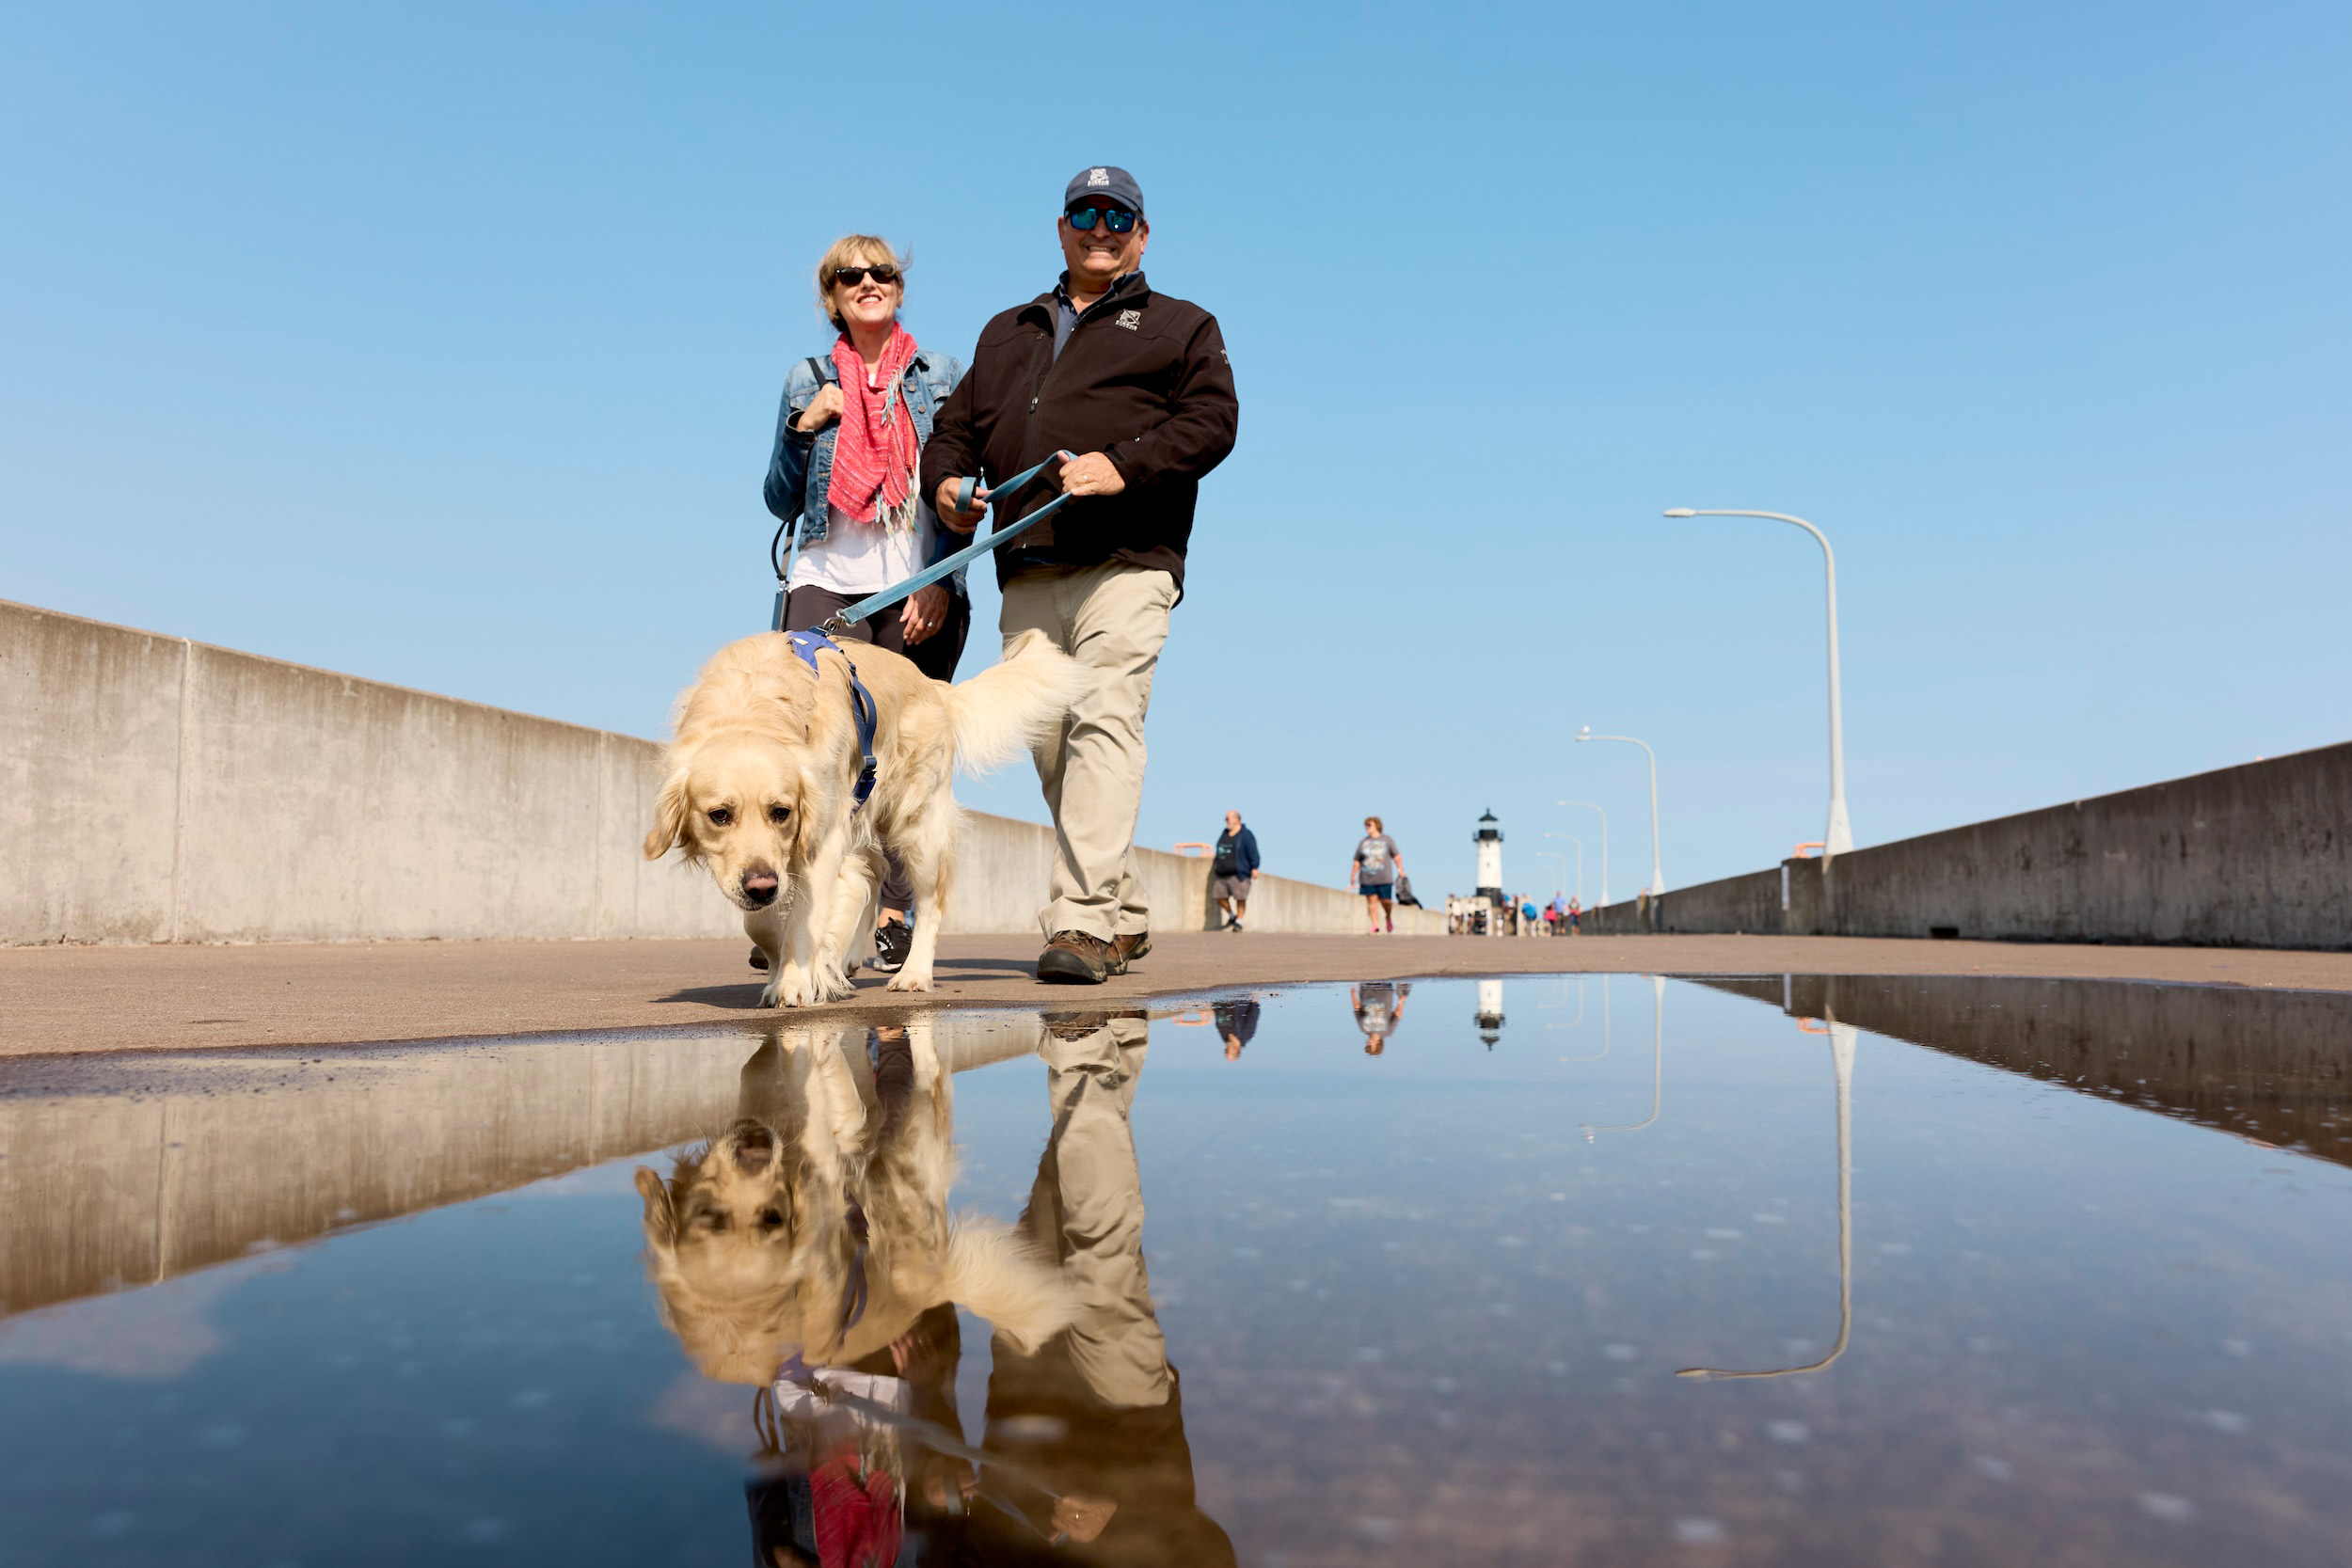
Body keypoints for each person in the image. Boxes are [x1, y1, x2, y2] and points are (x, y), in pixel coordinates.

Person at [922, 166, 1239, 986]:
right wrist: (949, 489)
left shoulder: (1183, 326)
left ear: (1141, 234)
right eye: (1084, 214)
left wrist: (1124, 466)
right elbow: (955, 433)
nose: (1100, 228)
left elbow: (1214, 422)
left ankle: (1083, 923)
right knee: (1054, 749)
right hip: (1026, 566)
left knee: (1104, 721)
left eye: (1117, 216)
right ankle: (1124, 911)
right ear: (1061, 228)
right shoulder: (1005, 332)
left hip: (1128, 564)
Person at [763, 234, 966, 978]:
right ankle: (801, 918)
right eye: (852, 275)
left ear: (900, 290)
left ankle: (891, 911)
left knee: (901, 758)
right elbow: (779, 495)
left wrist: (942, 577)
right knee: (808, 747)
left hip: (910, 579)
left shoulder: (941, 375)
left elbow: (957, 485)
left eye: (883, 272)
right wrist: (804, 426)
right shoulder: (807, 377)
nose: (869, 282)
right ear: (833, 297)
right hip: (824, 572)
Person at [1350, 816, 1406, 934]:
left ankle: (1388, 916)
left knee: (1386, 901)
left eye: (1369, 825)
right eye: (1366, 825)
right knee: (1371, 901)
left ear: (1377, 825)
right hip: (1367, 877)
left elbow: (1396, 856)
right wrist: (1353, 875)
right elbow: (1357, 860)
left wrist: (1400, 869)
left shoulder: (1387, 840)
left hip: (1384, 877)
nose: (1367, 828)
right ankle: (1375, 925)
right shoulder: (1363, 842)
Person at [1210, 810, 1259, 931]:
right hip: (1222, 873)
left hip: (1240, 873)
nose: (1226, 821)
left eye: (1228, 818)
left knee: (1240, 897)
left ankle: (1239, 922)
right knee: (1218, 896)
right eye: (1226, 818)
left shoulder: (1246, 834)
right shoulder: (1224, 833)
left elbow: (1253, 852)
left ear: (1237, 819)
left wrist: (1254, 867)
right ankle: (1232, 916)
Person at [1352, 979, 1409, 1054]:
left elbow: (1357, 1009)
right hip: (1385, 989)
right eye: (1369, 1045)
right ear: (1378, 1044)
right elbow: (1397, 1015)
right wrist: (1401, 1002)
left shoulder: (1364, 1029)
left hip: (1365, 988)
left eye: (1367, 1045)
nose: (1367, 1043)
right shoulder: (1388, 1031)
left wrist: (1353, 995)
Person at [1212, 994, 1260, 1060]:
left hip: (1220, 1000)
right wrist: (1254, 1002)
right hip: (1238, 999)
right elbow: (1253, 1016)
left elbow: (1219, 1019)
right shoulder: (1246, 1034)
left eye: (1225, 1051)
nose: (1225, 1049)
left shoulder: (1226, 1038)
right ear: (1236, 1050)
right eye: (1227, 1051)